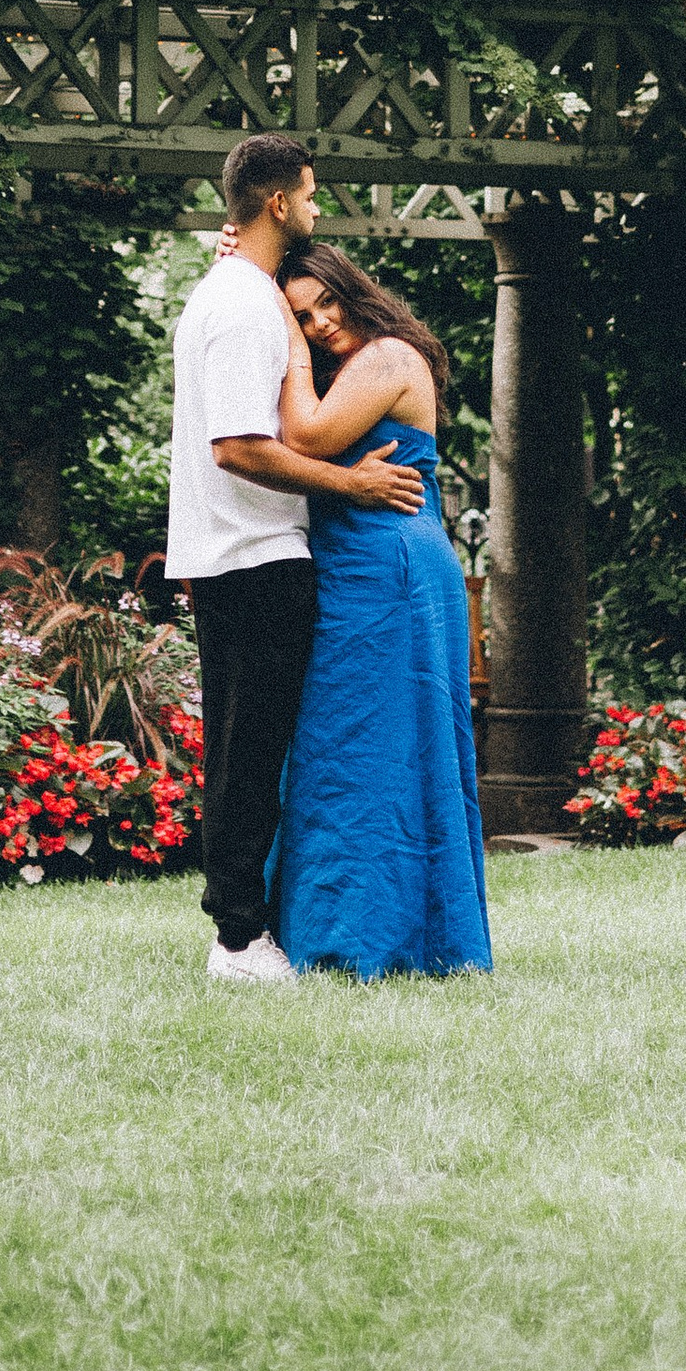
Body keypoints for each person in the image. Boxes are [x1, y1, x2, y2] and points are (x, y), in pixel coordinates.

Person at [164, 132, 425, 988]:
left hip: (234, 554)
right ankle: (238, 940)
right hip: (256, 554)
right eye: (310, 197)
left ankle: (248, 924)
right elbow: (240, 446)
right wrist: (348, 486)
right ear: (279, 202)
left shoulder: (234, 292)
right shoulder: (241, 305)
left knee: (249, 746)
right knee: (249, 754)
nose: (316, 210)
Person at [265, 243, 492, 982]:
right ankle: (332, 926)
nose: (322, 322)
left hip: (390, 568)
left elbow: (305, 439)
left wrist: (290, 342)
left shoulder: (389, 357)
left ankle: (394, 935)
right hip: (348, 569)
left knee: (392, 744)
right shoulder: (342, 370)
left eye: (327, 303)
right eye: (303, 315)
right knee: (340, 744)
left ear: (353, 291)